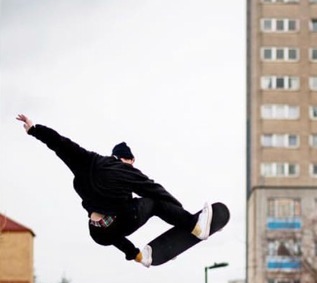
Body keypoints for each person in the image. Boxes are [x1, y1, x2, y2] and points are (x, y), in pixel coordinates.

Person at [16, 114, 213, 267]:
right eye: (132, 161)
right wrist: (179, 213)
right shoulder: (126, 171)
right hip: (122, 221)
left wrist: (34, 129)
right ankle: (197, 227)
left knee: (109, 223)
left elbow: (60, 144)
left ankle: (138, 256)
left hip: (97, 232)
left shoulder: (88, 161)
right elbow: (156, 190)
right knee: (154, 202)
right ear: (125, 159)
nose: (134, 165)